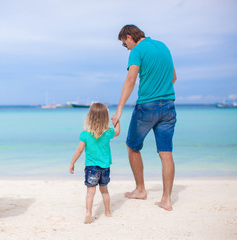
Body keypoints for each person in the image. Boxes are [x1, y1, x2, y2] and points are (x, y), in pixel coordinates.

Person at [111, 25, 177, 211]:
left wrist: (119, 109)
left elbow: (131, 79)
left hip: (147, 106)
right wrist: (161, 90)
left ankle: (140, 189)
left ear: (129, 37)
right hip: (169, 105)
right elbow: (173, 77)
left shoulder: (137, 50)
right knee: (166, 153)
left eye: (125, 45)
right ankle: (166, 200)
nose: (127, 48)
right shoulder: (163, 46)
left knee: (132, 147)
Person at [69, 103, 120, 224]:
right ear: (105, 118)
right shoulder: (107, 133)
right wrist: (116, 121)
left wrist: (72, 163)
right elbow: (117, 132)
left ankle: (88, 213)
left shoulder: (85, 134)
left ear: (90, 117)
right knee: (105, 191)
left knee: (90, 192)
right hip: (105, 168)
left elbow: (79, 150)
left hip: (91, 168)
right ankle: (107, 212)